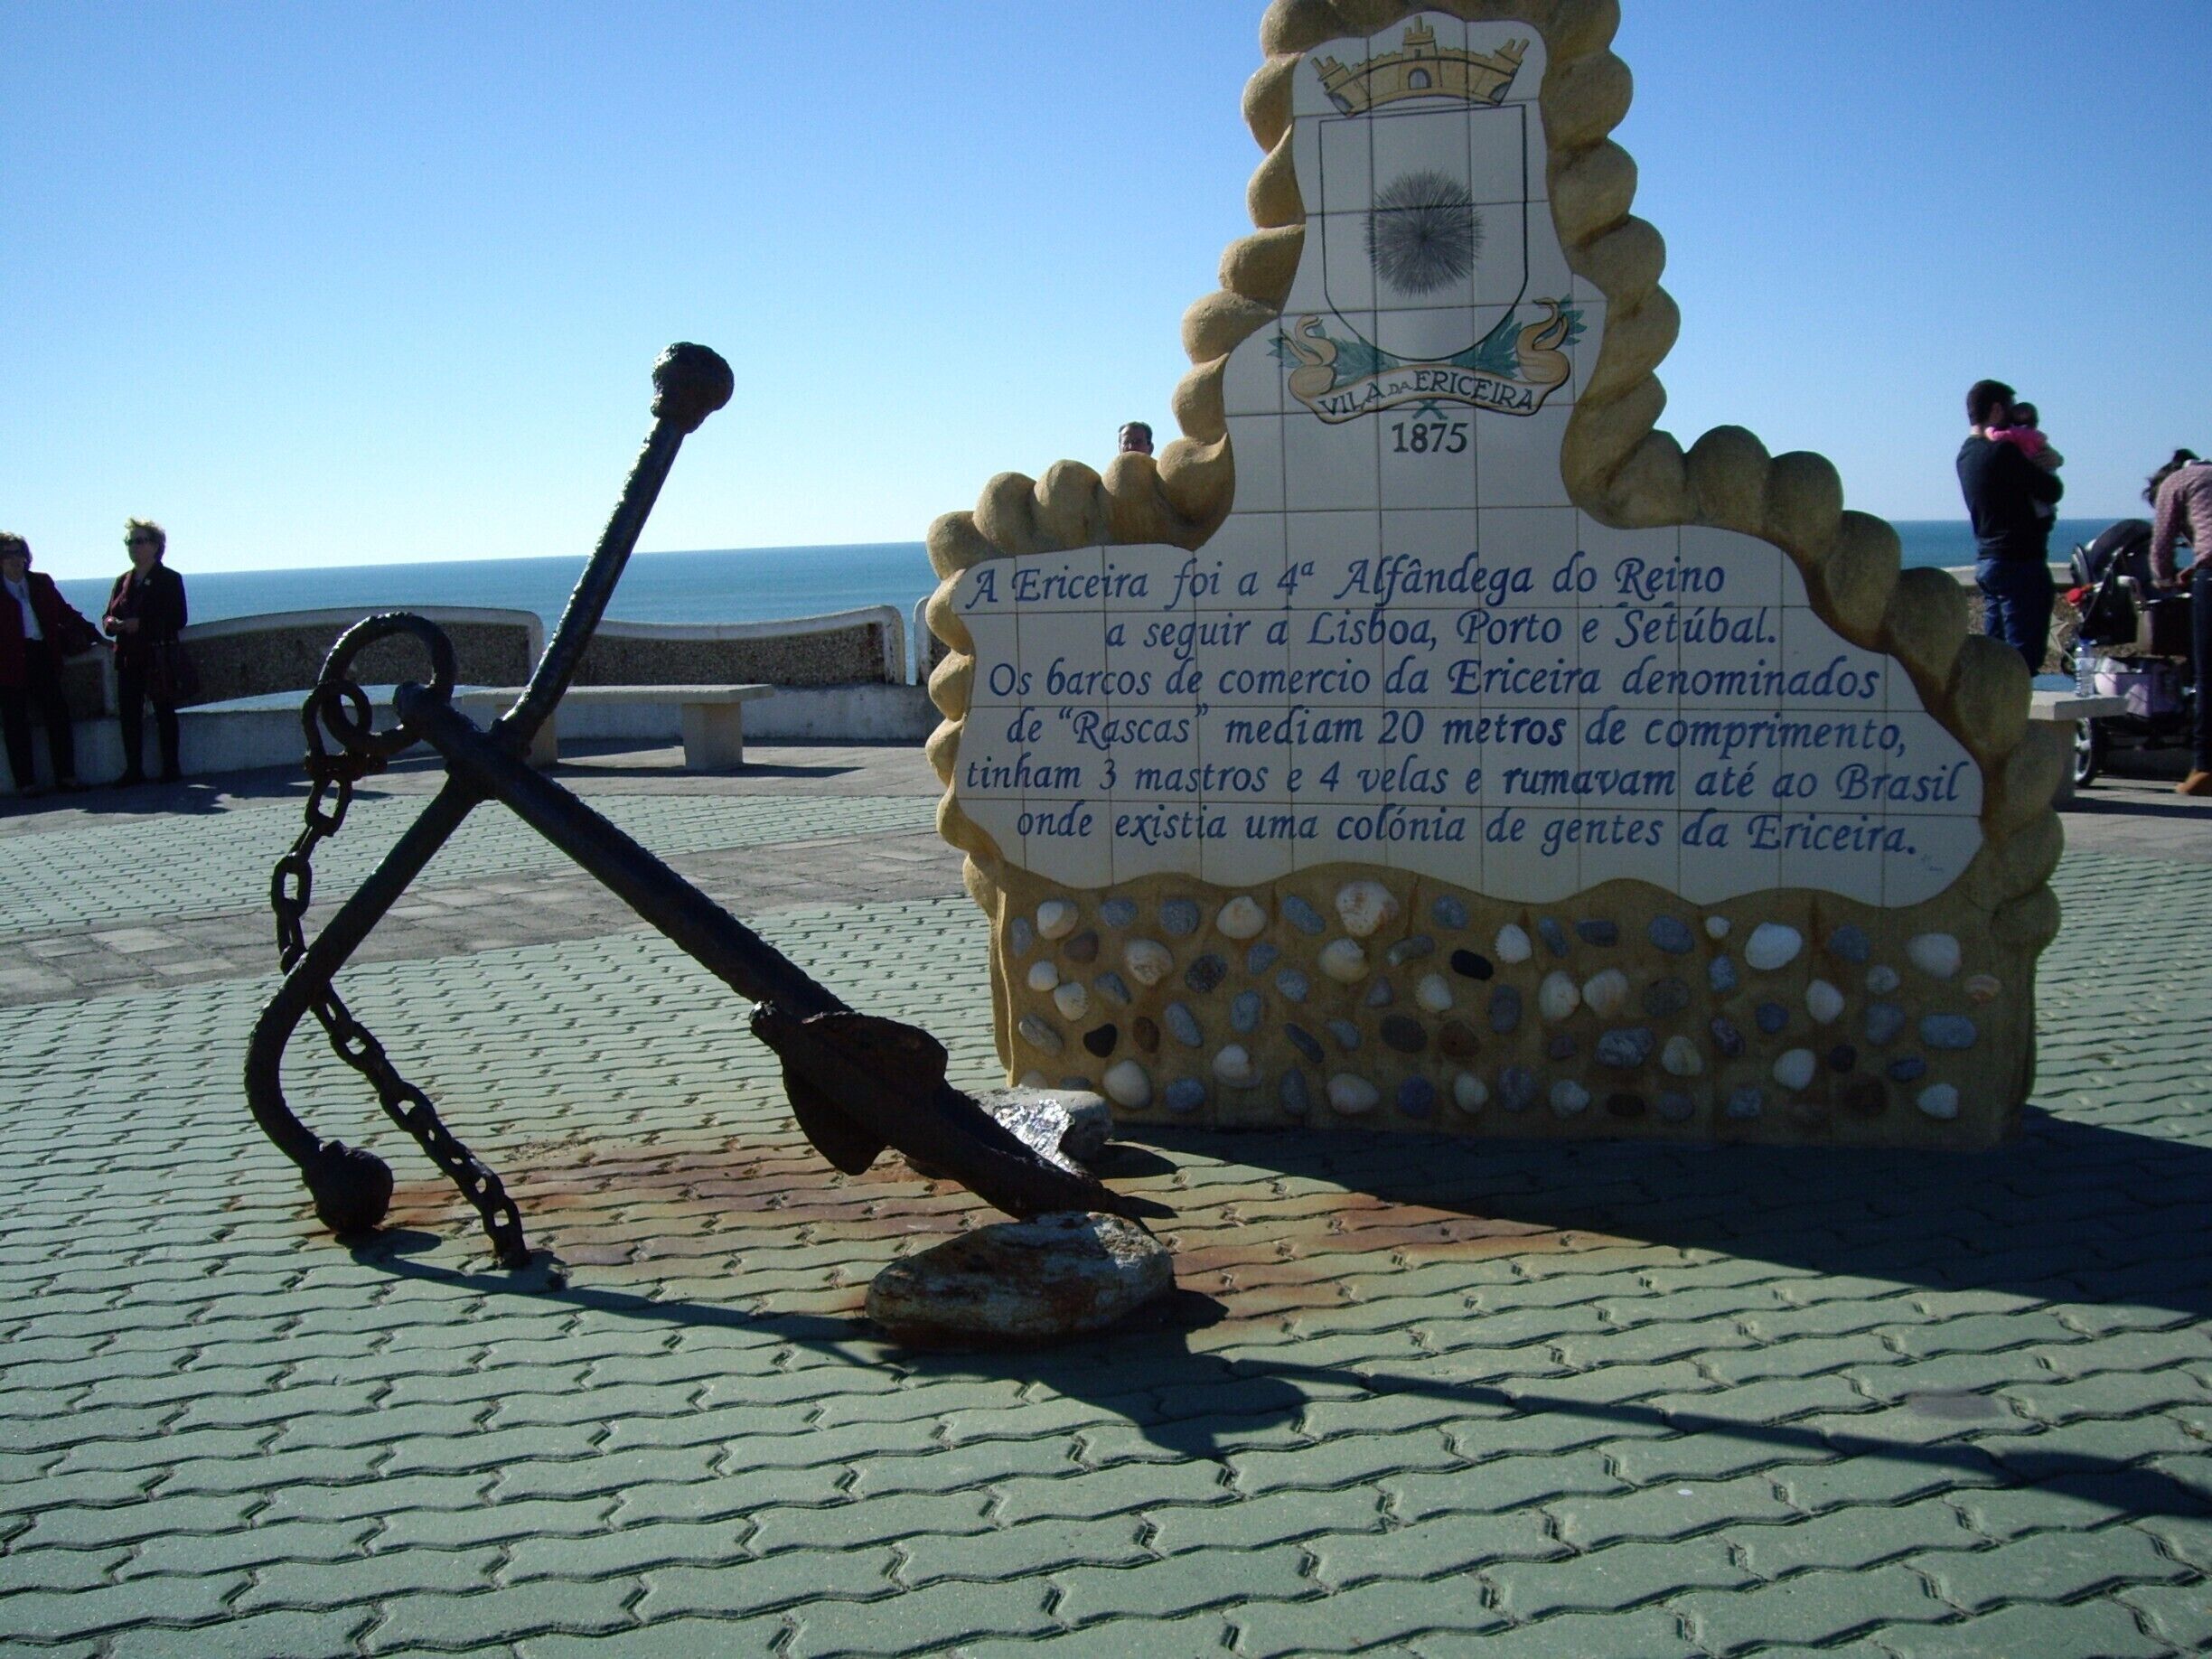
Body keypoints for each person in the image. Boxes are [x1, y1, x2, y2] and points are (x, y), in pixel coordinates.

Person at [1956, 379, 2064, 673]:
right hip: (2021, 562)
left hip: (1989, 561)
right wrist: (2051, 460)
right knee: (2020, 663)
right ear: (1995, 410)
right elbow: (2051, 490)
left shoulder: (1966, 455)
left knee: (1994, 660)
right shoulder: (2003, 453)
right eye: (2010, 410)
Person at [0, 533, 99, 798]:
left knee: (58, 716)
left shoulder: (41, 583)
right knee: (15, 724)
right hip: (8, 663)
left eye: (18, 552)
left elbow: (64, 612)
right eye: (6, 554)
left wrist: (97, 636)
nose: (14, 559)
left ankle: (67, 777)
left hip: (42, 656)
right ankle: (26, 784)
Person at [102, 518, 189, 785]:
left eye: (139, 541)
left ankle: (171, 769)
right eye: (130, 542)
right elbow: (108, 616)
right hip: (128, 657)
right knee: (129, 715)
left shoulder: (169, 579)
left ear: (156, 546)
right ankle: (133, 770)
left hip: (157, 656)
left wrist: (142, 624)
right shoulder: (122, 581)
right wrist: (112, 624)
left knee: (164, 711)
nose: (133, 547)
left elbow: (178, 618)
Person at [2148, 448, 2212, 796]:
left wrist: (2165, 580)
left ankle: (2204, 769)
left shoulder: (2178, 481)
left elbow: (2160, 546)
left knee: (2208, 676)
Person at [1984, 399, 2064, 523]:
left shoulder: (2013, 433)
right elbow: (2048, 450)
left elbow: (1997, 436)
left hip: (2033, 466)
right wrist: (2058, 459)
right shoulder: (2037, 435)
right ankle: (2048, 512)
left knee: (2036, 499)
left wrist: (1989, 430)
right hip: (2040, 467)